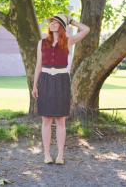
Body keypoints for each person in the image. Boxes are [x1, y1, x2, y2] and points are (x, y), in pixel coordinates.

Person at [32, 13, 90, 165]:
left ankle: (60, 155)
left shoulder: (69, 41)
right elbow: (38, 65)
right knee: (45, 119)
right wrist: (34, 85)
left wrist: (72, 21)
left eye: (56, 22)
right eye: (51, 22)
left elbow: (86, 29)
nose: (52, 24)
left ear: (62, 26)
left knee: (60, 120)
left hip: (61, 81)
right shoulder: (42, 43)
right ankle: (46, 155)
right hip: (45, 80)